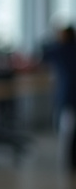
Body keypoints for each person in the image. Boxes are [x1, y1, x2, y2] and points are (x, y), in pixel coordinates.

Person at [40, 25, 76, 169]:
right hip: (70, 94)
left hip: (68, 94)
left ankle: (68, 160)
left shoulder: (61, 49)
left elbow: (44, 54)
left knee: (66, 129)